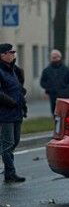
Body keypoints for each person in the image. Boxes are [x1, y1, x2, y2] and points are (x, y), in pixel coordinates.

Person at [0, 43, 25, 183]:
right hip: (5, 113)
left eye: (14, 52)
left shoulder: (13, 69)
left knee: (15, 141)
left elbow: (17, 86)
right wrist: (11, 102)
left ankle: (9, 169)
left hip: (17, 111)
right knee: (8, 143)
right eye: (11, 52)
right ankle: (10, 173)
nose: (13, 54)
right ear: (2, 55)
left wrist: (22, 95)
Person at [40, 49, 69, 115]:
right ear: (51, 58)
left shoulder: (66, 70)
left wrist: (66, 91)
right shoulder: (47, 70)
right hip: (53, 96)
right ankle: (57, 125)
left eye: (57, 57)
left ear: (60, 57)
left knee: (65, 113)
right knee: (55, 113)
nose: (55, 59)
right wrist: (49, 87)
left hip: (65, 96)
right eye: (53, 57)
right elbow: (42, 82)